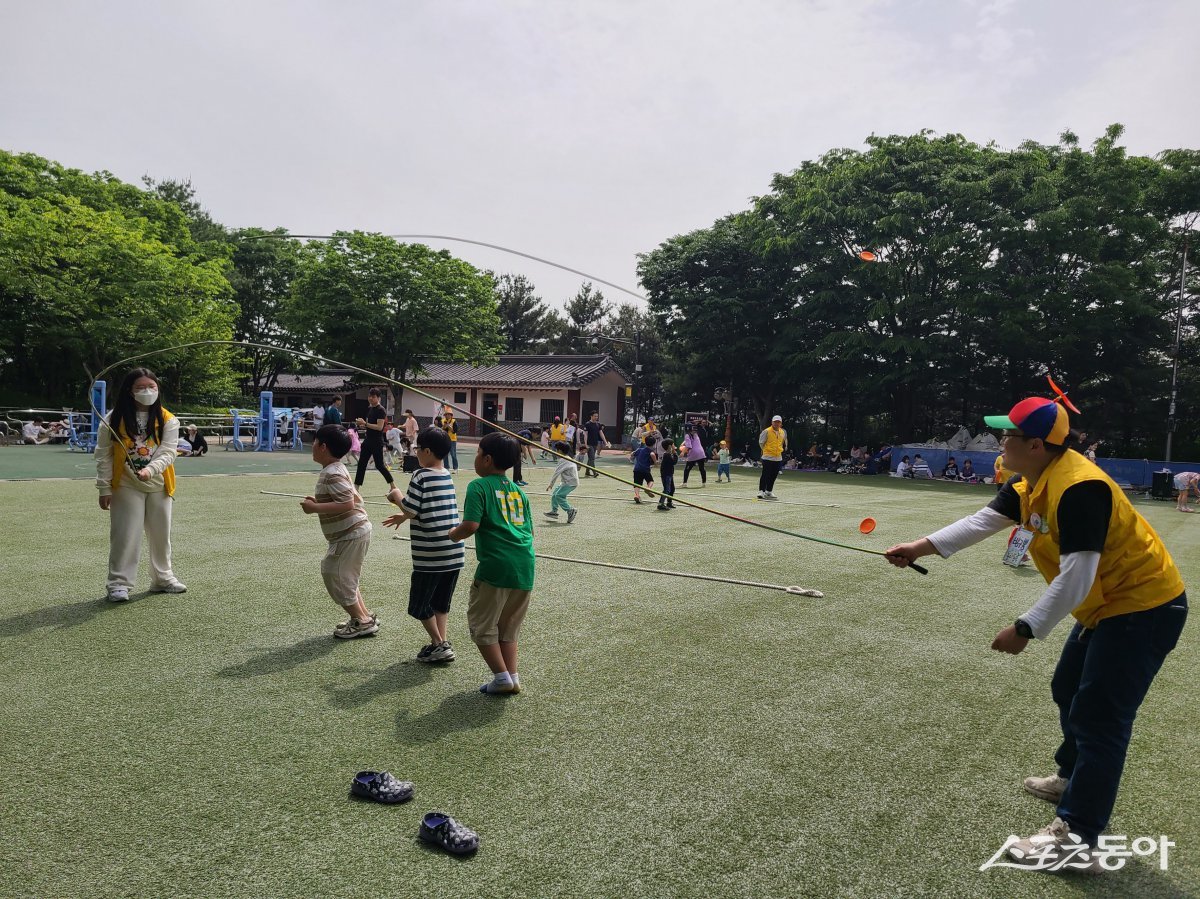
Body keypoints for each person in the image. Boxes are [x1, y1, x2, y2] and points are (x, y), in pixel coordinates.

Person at [885, 396, 1188, 870]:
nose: (1000, 442)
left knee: (1101, 719)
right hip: (1108, 609)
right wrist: (921, 547)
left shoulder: (1079, 487)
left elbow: (1078, 576)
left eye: (1008, 435)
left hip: (1144, 609)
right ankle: (1073, 779)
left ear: (1036, 444)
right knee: (1067, 687)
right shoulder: (1030, 480)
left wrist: (1026, 627)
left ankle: (1079, 837)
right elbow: (984, 520)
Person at [447, 433, 535, 695]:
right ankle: (512, 676)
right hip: (524, 566)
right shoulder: (520, 492)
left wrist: (453, 534)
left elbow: (470, 525)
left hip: (495, 567)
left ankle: (501, 677)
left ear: (487, 459)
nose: (475, 459)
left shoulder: (479, 486)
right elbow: (529, 531)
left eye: (477, 454)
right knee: (508, 626)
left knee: (481, 625)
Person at [95, 368, 187, 602]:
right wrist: (104, 487)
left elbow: (168, 452)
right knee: (125, 534)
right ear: (129, 391)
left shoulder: (168, 419)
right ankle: (118, 583)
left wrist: (150, 469)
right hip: (125, 483)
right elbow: (103, 455)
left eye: (152, 387)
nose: (147, 391)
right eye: (140, 387)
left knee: (160, 533)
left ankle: (162, 578)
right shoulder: (113, 418)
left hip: (159, 484)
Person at [383, 426, 463, 662]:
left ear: (427, 451)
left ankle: (439, 643)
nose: (415, 452)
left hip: (431, 553)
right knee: (440, 602)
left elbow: (410, 507)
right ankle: (440, 643)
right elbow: (426, 509)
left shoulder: (421, 475)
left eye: (417, 448)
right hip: (453, 552)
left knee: (419, 605)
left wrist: (396, 495)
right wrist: (405, 515)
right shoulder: (445, 474)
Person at [300, 424, 378, 639]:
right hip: (353, 533)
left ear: (323, 447)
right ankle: (363, 616)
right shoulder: (337, 469)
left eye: (314, 442)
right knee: (347, 577)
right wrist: (320, 501)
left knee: (334, 574)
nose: (312, 446)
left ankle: (361, 622)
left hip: (351, 533)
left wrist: (315, 508)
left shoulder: (332, 473)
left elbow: (347, 504)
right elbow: (347, 499)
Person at [354, 388, 397, 493]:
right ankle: (356, 488)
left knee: (379, 465)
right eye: (369, 396)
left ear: (378, 398)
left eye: (373, 397)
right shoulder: (370, 409)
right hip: (368, 440)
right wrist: (361, 424)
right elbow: (369, 426)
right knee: (361, 464)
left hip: (377, 441)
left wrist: (365, 423)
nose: (370, 398)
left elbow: (379, 427)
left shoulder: (381, 410)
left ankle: (393, 486)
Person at [544, 441, 579, 524]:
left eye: (556, 449)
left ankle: (570, 510)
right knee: (555, 493)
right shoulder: (566, 458)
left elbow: (557, 472)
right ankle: (554, 511)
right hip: (567, 481)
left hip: (570, 483)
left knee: (559, 496)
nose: (555, 451)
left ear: (559, 450)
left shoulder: (564, 460)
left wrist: (551, 484)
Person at [757, 415, 787, 500]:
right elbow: (761, 443)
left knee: (774, 475)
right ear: (772, 422)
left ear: (781, 423)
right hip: (767, 457)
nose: (777, 423)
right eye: (775, 422)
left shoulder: (782, 432)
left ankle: (769, 491)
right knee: (765, 474)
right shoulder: (766, 431)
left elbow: (781, 443)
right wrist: (766, 451)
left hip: (778, 457)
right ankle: (761, 491)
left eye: (778, 422)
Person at [630, 432, 657, 504]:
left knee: (637, 484)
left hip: (637, 469)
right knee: (650, 481)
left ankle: (637, 495)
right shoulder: (651, 452)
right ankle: (648, 488)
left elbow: (632, 453)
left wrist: (631, 457)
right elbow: (652, 455)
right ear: (654, 444)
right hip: (645, 470)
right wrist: (656, 463)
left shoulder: (640, 449)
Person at [582, 411, 609, 477]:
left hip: (595, 444)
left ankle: (587, 472)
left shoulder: (598, 424)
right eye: (595, 416)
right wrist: (585, 444)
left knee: (590, 459)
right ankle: (594, 472)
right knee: (592, 458)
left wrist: (605, 442)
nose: (596, 417)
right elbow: (585, 434)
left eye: (597, 416)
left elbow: (601, 433)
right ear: (591, 416)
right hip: (589, 444)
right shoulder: (587, 424)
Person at [656, 438, 678, 511]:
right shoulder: (667, 455)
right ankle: (660, 504)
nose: (674, 446)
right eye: (673, 444)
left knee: (672, 489)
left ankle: (669, 502)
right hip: (666, 475)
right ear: (669, 446)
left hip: (669, 474)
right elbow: (674, 462)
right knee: (667, 489)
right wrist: (675, 452)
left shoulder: (668, 454)